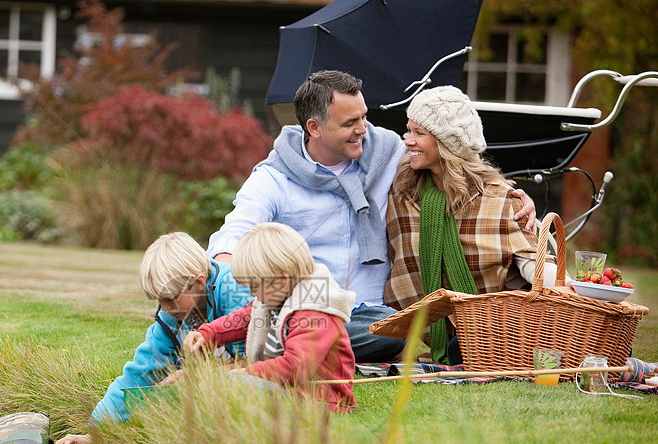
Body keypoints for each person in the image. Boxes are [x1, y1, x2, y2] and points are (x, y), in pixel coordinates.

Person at [207, 70, 536, 364]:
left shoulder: (389, 153)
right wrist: (226, 276)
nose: (362, 129)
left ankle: (294, 348)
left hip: (373, 313)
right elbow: (235, 232)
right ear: (314, 127)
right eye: (349, 123)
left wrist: (510, 196)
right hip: (310, 307)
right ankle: (292, 342)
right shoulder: (275, 179)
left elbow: (453, 160)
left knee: (399, 329)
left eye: (363, 117)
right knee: (313, 326)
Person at [384, 85, 557, 364]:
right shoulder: (401, 193)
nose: (408, 141)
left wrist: (581, 294)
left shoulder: (498, 198)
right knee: (455, 350)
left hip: (502, 324)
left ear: (446, 143)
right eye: (408, 130)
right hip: (448, 335)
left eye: (419, 133)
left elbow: (531, 264)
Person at [55, 232, 251, 444]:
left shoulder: (236, 293)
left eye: (170, 299)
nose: (165, 308)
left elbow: (261, 361)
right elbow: (139, 374)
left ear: (198, 283)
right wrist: (95, 433)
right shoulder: (172, 317)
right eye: (160, 300)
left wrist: (198, 377)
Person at [184, 222, 356, 411]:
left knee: (234, 386)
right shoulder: (277, 296)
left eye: (254, 286)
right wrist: (208, 334)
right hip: (292, 391)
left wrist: (249, 372)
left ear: (282, 279)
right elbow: (245, 318)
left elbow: (296, 366)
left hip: (322, 400)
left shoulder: (315, 311)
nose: (251, 292)